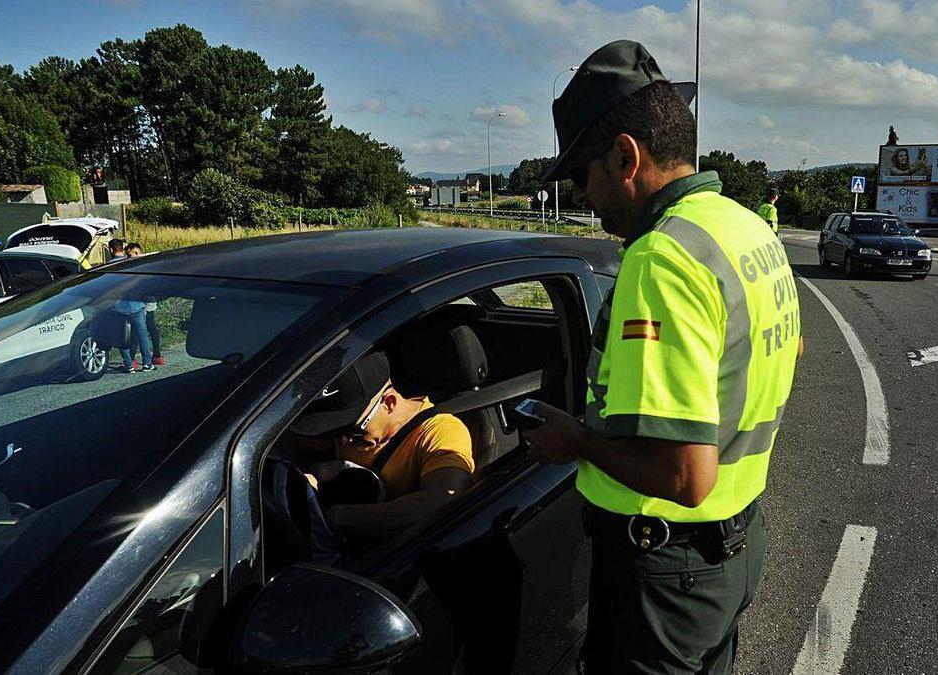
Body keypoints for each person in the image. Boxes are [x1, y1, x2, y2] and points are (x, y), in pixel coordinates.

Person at [524, 40, 800, 674]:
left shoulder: (661, 257)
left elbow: (684, 477)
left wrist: (577, 442)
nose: (581, 195)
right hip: (731, 551)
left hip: (665, 572)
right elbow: (786, 347)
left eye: (579, 174)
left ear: (626, 156)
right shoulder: (746, 228)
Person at [291, 351, 475, 543]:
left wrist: (344, 517)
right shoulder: (344, 432)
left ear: (389, 403)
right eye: (335, 431)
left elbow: (443, 501)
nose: (343, 439)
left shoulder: (440, 431)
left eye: (354, 430)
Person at [123, 243, 165, 367]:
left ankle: (141, 358)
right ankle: (154, 356)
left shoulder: (144, 266)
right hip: (139, 302)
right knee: (145, 330)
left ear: (140, 252)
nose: (134, 256)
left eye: (136, 253)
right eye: (130, 254)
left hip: (147, 301)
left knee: (142, 330)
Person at [113, 296, 154, 373]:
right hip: (136, 307)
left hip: (119, 310)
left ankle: (129, 365)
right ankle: (147, 363)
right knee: (142, 335)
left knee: (122, 337)